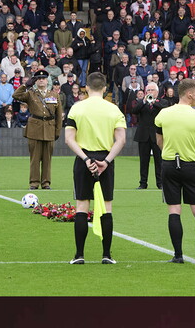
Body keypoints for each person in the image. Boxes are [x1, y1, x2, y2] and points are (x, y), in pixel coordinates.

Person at [64, 72, 127, 265]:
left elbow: (69, 139)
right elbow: (121, 140)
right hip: (104, 161)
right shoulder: (114, 109)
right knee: (106, 207)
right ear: (105, 88)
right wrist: (106, 161)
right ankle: (106, 255)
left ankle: (79, 255)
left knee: (82, 206)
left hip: (84, 159)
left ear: (86, 88)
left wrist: (84, 159)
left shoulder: (77, 108)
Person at [154, 79, 195, 263]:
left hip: (169, 164)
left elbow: (159, 142)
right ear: (189, 94)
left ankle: (178, 255)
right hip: (190, 165)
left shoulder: (163, 114)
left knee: (174, 210)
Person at [13, 69, 64, 190]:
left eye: (43, 78)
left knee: (47, 159)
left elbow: (59, 114)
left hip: (50, 128)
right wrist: (26, 85)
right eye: (38, 79)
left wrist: (57, 131)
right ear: (35, 81)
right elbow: (16, 95)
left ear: (47, 81)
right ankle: (34, 182)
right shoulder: (31, 93)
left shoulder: (54, 95)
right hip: (35, 129)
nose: (41, 80)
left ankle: (46, 183)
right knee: (35, 158)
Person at [129, 82, 172, 189]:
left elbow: (164, 109)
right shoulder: (141, 102)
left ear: (157, 92)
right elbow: (134, 111)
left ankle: (160, 183)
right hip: (143, 135)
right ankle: (143, 183)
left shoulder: (163, 101)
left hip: (158, 136)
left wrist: (153, 102)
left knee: (159, 161)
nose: (149, 92)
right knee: (144, 161)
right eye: (148, 90)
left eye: (152, 90)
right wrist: (144, 101)